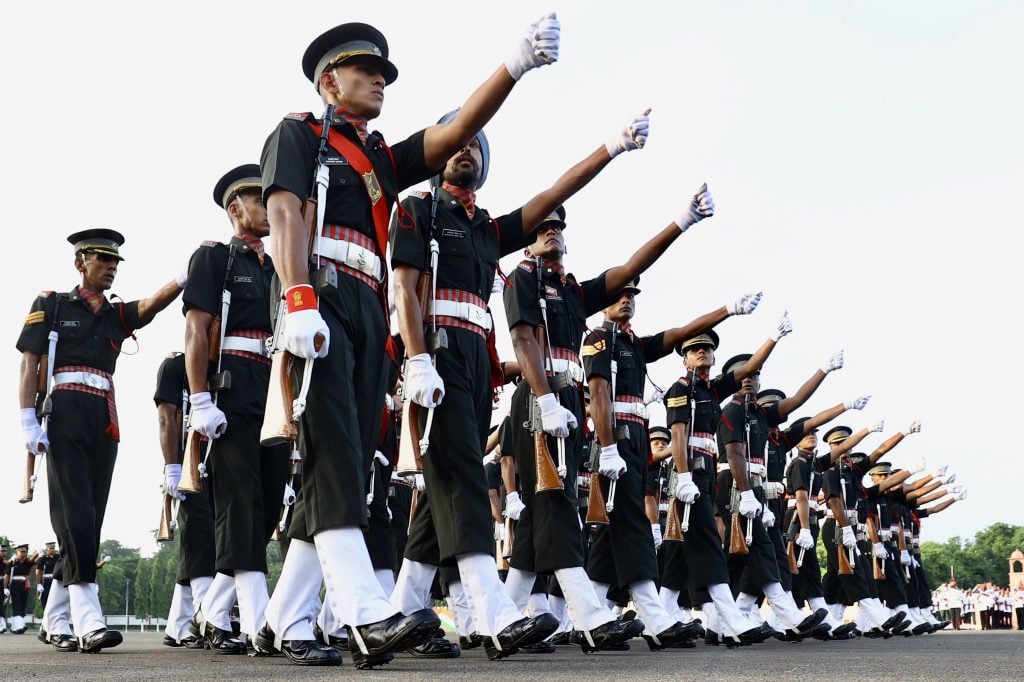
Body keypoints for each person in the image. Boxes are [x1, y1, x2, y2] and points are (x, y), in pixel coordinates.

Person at [258, 16, 561, 668]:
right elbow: (284, 212)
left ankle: (283, 618)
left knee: (347, 465)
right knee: (335, 451)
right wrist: (299, 297)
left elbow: (453, 130)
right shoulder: (301, 137)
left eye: (385, 76)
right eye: (366, 72)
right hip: (325, 299)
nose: (379, 83)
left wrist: (515, 64)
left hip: (368, 318)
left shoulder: (379, 160)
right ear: (329, 79)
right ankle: (364, 612)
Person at [390, 98, 651, 659]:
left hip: (475, 367)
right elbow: (404, 289)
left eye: (477, 146)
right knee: (460, 473)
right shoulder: (418, 209)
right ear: (438, 157)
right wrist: (415, 358)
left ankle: (406, 609)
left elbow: (557, 191)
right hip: (436, 358)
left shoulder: (487, 230)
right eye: (458, 141)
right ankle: (494, 615)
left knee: (442, 499)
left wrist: (614, 146)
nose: (466, 149)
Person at [17, 229, 184, 652]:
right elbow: (29, 362)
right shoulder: (52, 305)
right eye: (103, 260)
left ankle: (54, 621)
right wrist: (27, 422)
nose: (111, 267)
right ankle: (88, 620)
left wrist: (182, 280)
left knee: (90, 514)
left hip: (103, 417)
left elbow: (148, 307)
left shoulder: (114, 314)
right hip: (64, 412)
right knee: (76, 516)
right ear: (81, 263)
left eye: (115, 263)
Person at [184, 165, 289, 655]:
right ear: (235, 208)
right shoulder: (216, 259)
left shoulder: (278, 266)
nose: (270, 208)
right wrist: (201, 399)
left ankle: (209, 611)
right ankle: (257, 622)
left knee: (268, 502)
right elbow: (196, 331)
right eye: (260, 199)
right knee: (240, 502)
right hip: (230, 391)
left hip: (272, 392)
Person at [153, 351, 214, 649]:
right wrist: (171, 467)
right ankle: (204, 613)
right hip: (188, 457)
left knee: (202, 536)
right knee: (199, 531)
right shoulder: (175, 365)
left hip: (217, 457)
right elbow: (167, 417)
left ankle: (178, 624)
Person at [4, 544, 36, 634]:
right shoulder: (13, 562)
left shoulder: (26, 563)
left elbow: (34, 560)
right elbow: (7, 575)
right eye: (21, 551)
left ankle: (16, 626)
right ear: (16, 552)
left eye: (25, 552)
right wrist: (5, 587)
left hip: (24, 586)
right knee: (16, 605)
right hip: (14, 586)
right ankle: (19, 625)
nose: (23, 553)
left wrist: (38, 553)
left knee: (23, 605)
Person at [35, 541, 59, 609]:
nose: (52, 549)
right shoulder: (43, 559)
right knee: (45, 600)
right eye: (50, 548)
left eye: (53, 548)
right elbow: (38, 572)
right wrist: (38, 584)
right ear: (46, 549)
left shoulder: (58, 557)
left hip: (56, 581)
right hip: (46, 582)